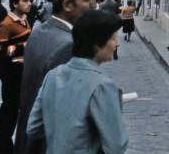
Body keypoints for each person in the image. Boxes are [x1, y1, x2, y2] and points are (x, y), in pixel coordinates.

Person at [26, 10, 128, 154]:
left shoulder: (53, 75)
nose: (117, 44)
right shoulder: (102, 85)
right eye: (113, 38)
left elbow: (34, 128)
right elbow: (116, 145)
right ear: (97, 44)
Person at [16, 0, 97, 153]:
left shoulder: (40, 32)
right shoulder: (68, 44)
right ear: (68, 5)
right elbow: (67, 111)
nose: (94, 5)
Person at [0, 0, 33, 154]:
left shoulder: (24, 20)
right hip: (11, 75)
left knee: (13, 111)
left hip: (20, 73)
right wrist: (21, 48)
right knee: (9, 111)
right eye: (25, 0)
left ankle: (4, 144)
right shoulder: (7, 24)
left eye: (30, 0)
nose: (29, 4)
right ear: (15, 3)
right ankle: (0, 146)